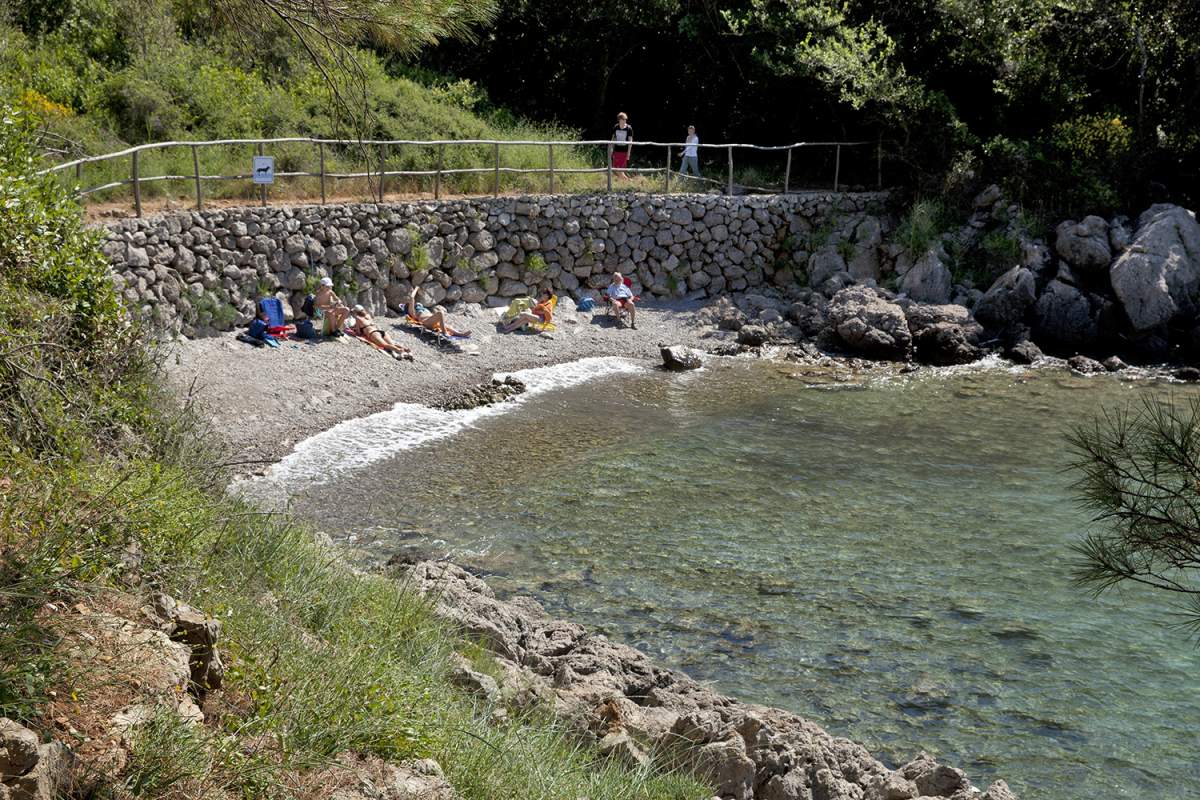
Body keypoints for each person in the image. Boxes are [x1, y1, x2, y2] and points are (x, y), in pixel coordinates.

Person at [611, 112, 633, 179]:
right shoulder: (616, 127)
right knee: (615, 168)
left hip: (624, 151)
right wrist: (611, 149)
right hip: (616, 150)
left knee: (620, 169)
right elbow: (613, 139)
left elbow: (630, 141)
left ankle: (627, 181)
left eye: (625, 119)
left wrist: (628, 153)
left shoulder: (629, 128)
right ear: (619, 120)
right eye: (623, 119)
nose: (624, 121)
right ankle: (625, 180)